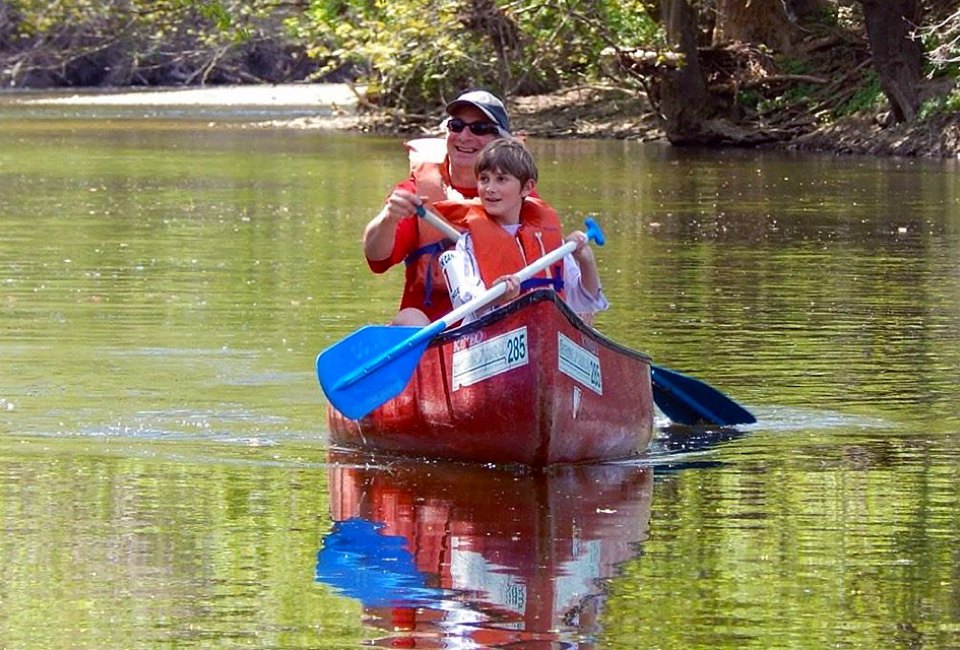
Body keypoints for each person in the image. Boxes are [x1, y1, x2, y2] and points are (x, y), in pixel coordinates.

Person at [363, 90, 534, 326]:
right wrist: (389, 217)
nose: (464, 136)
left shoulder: (521, 194)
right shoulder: (416, 192)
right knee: (408, 319)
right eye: (456, 126)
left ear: (501, 141)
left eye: (480, 128)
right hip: (434, 336)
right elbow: (376, 258)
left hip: (502, 330)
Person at [437, 138, 608, 326]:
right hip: (492, 336)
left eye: (501, 179)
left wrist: (586, 259)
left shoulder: (550, 241)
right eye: (484, 179)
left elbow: (586, 300)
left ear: (526, 187)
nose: (490, 189)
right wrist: (497, 296)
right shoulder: (469, 243)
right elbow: (466, 304)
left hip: (546, 330)